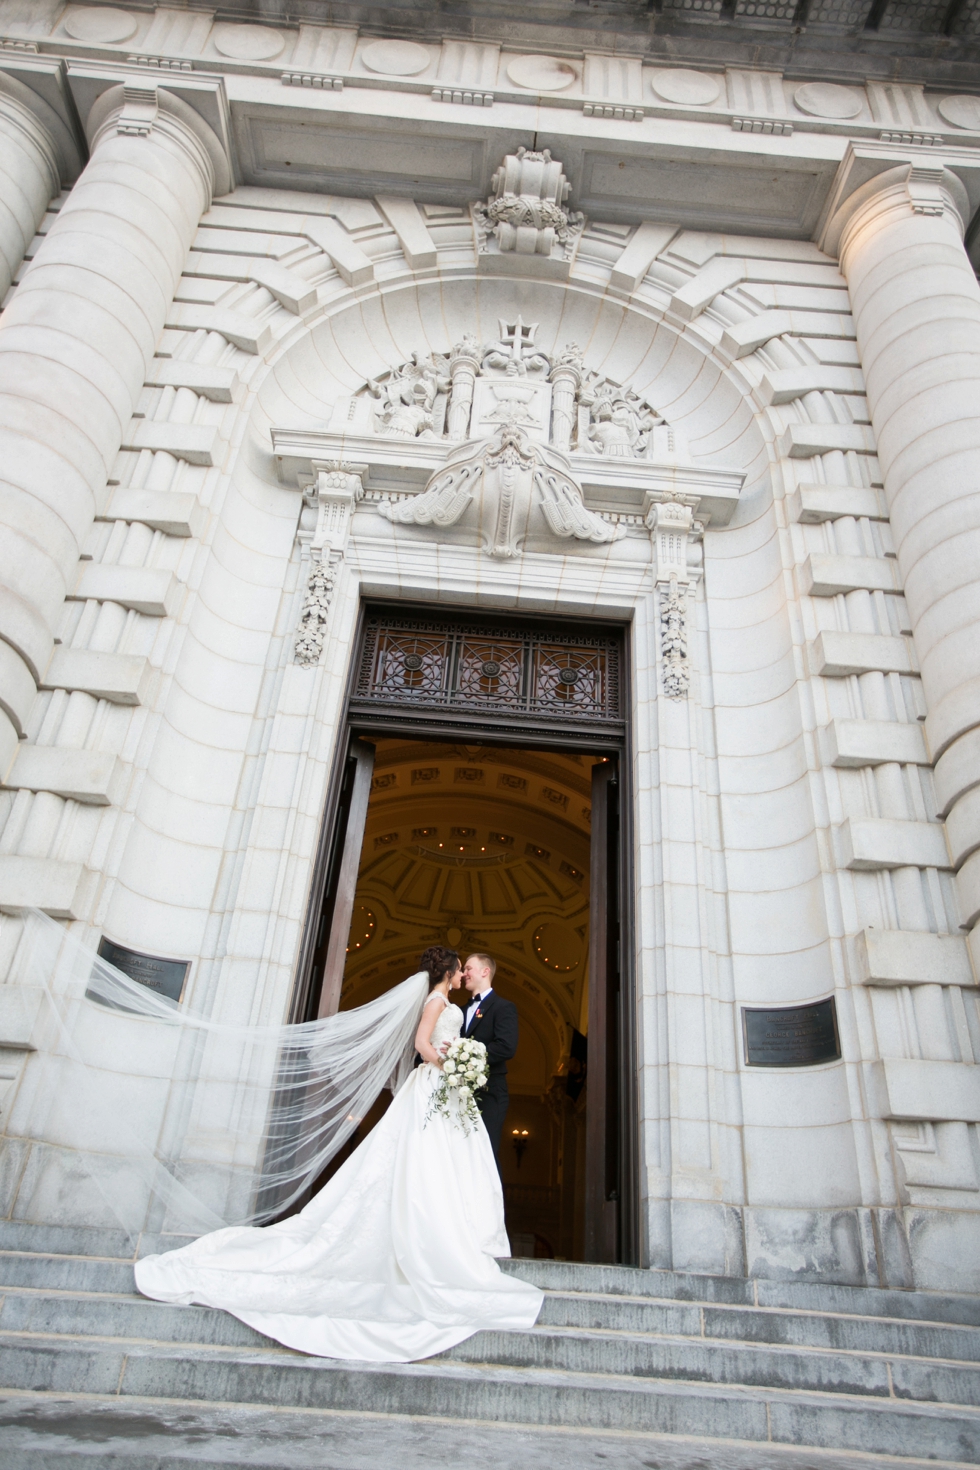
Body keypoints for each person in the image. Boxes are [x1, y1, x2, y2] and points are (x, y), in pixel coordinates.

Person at [134, 945, 542, 1363]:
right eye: (461, 969)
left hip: (444, 1091)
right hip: (436, 1083)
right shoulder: (438, 1001)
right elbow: (423, 1043)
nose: (464, 974)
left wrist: (457, 1061)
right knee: (418, 1163)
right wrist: (452, 1061)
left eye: (469, 970)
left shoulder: (454, 1002)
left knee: (434, 1165)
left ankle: (445, 1233)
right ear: (451, 971)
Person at [461, 953, 518, 1172]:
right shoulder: (460, 1010)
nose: (464, 973)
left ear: (485, 971)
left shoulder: (503, 1007)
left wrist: (465, 1059)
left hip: (490, 1092)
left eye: (468, 968)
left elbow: (506, 1047)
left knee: (485, 1154)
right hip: (461, 1092)